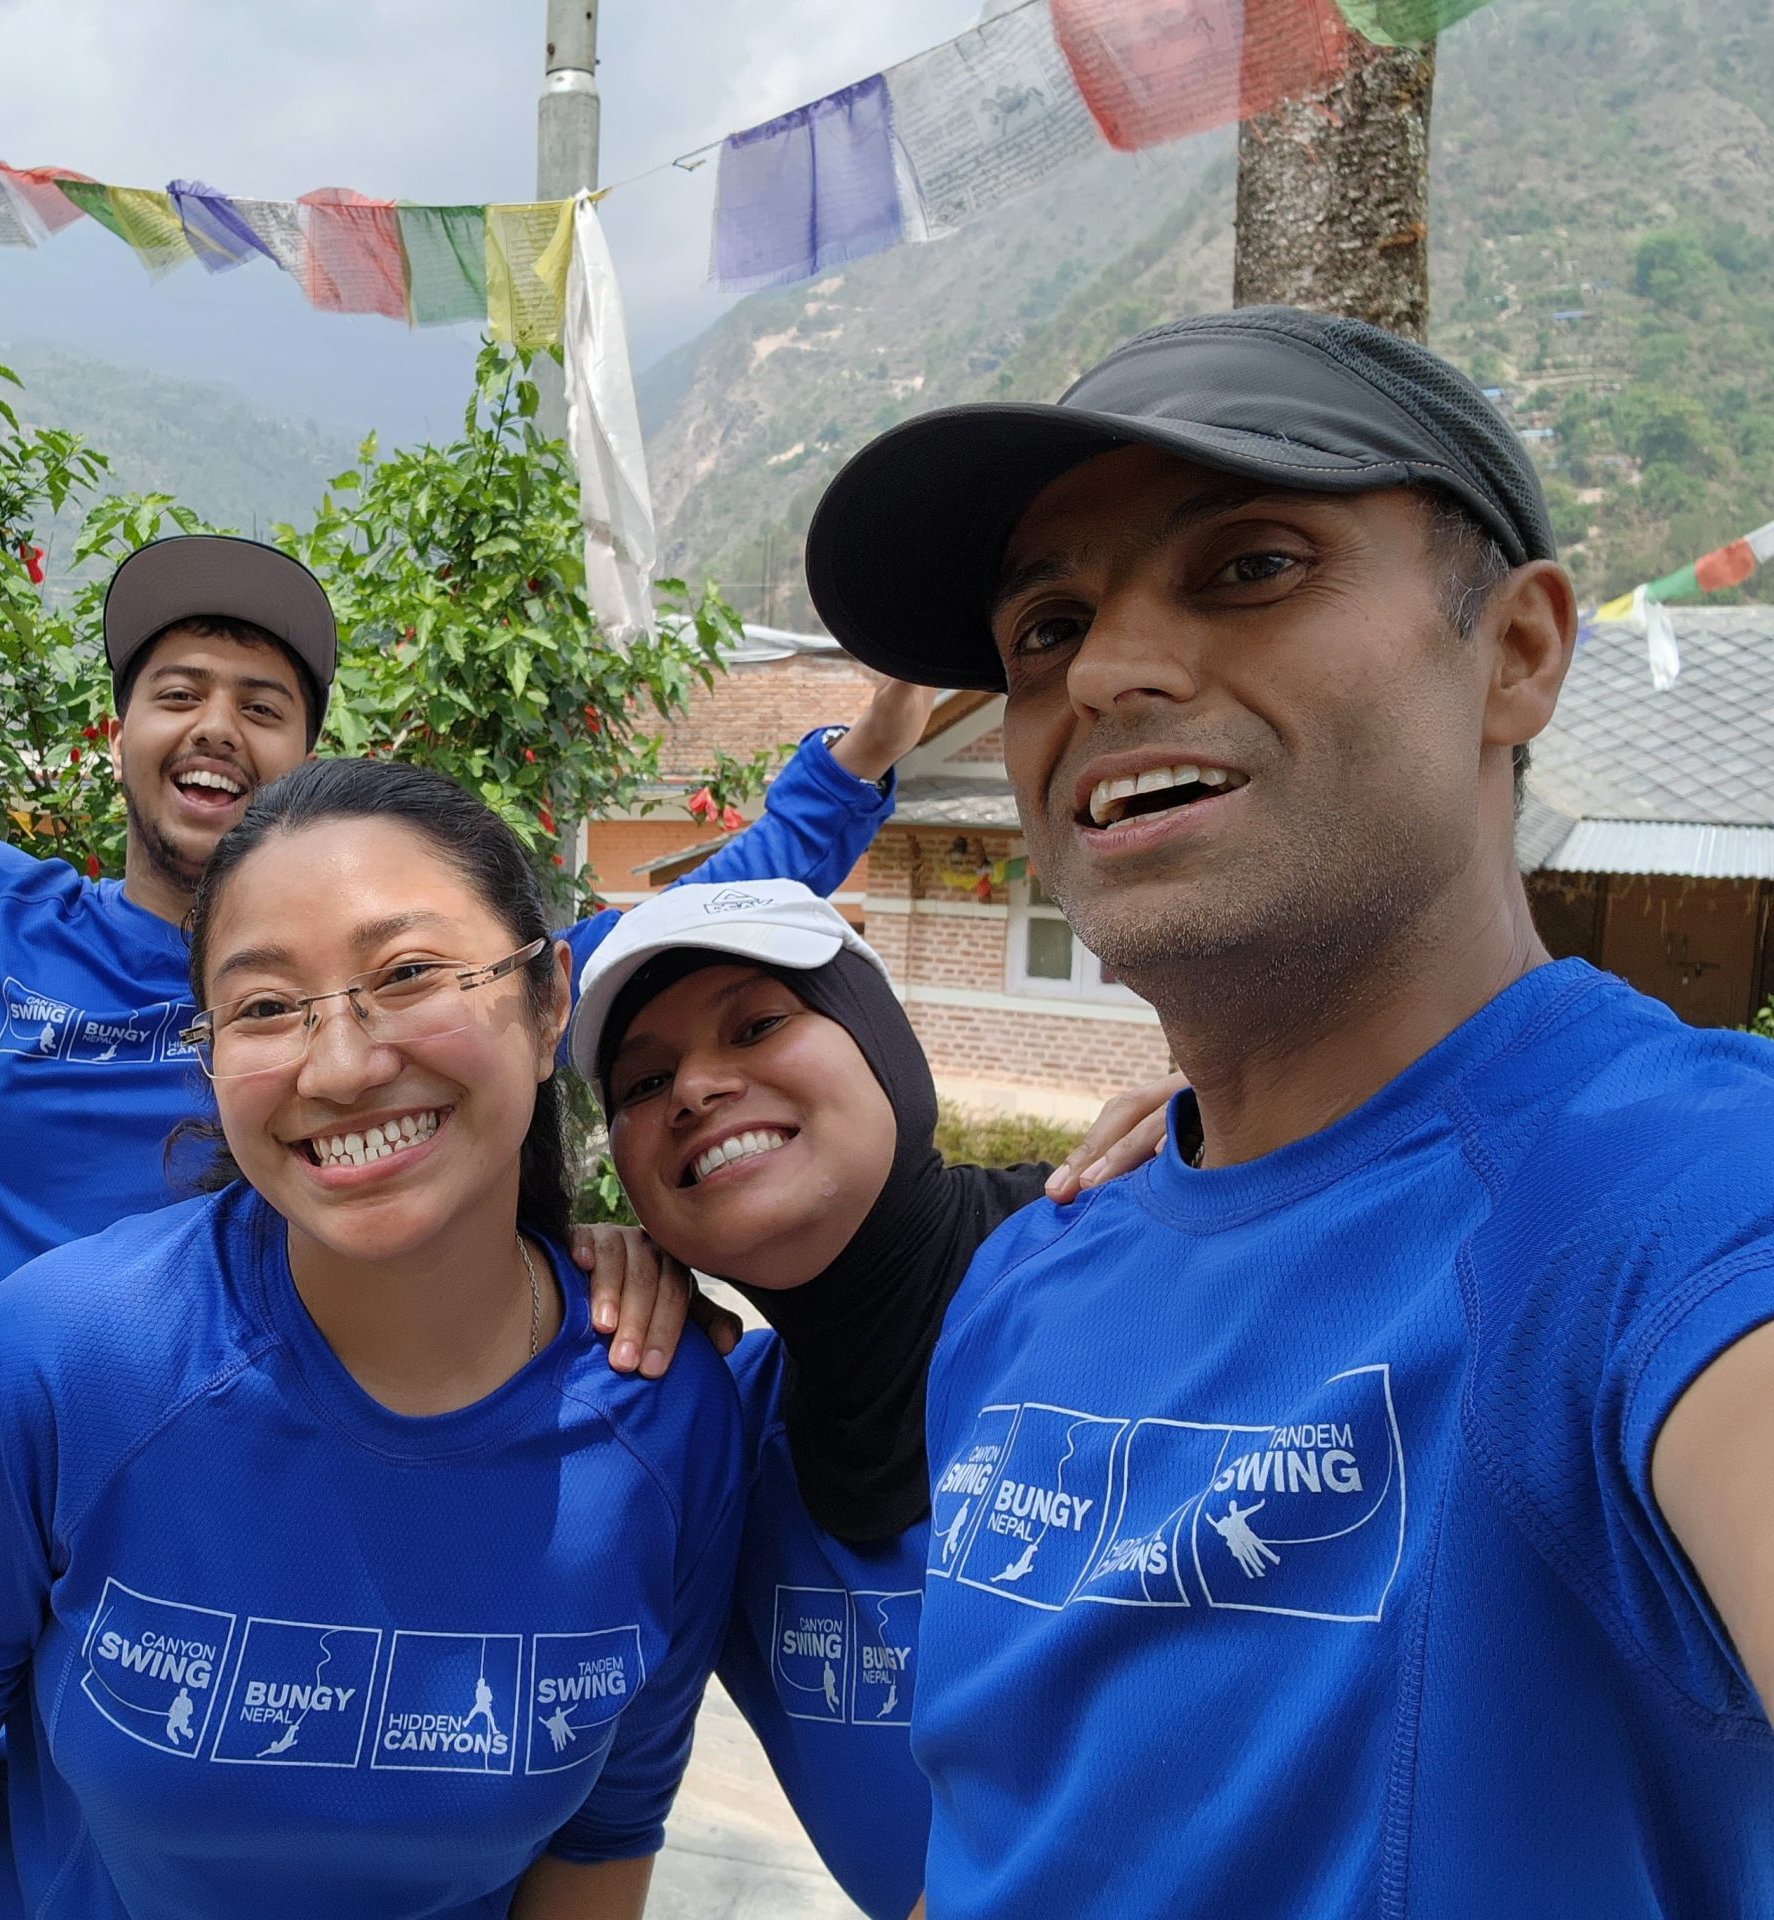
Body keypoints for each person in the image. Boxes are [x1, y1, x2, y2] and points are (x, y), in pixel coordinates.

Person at [760, 306, 1774, 1914]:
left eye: (1250, 568)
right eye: (1045, 625)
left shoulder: (1676, 1197)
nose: (1102, 669)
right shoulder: (1030, 1287)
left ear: (1515, 652)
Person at [0, 374, 942, 1333]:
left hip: (290, 1507)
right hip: (11, 1513)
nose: (217, 725)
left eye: (263, 706)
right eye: (179, 692)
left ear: (305, 764)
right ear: (118, 734)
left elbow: (683, 921)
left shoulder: (399, 979)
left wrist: (861, 759)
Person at [0, 756, 746, 1919]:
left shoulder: (670, 1415)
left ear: (549, 999)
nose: (342, 1064)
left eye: (407, 975)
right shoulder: (52, 1365)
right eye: (262, 1007)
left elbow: (607, 1832)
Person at [565, 880, 1175, 1919]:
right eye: (642, 1081)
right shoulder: (706, 1442)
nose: (695, 1090)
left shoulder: (1139, 1270)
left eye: (758, 1024)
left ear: (882, 1045)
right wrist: (547, 1268)